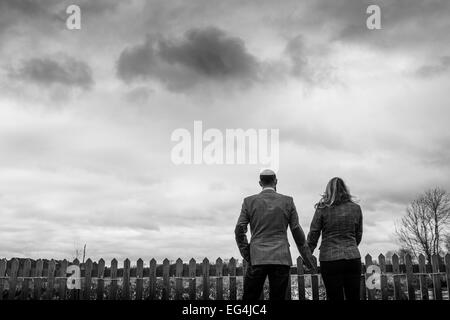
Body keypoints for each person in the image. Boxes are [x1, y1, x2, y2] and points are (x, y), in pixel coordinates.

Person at [235, 169, 316, 300]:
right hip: (280, 257)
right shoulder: (288, 201)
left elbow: (239, 229)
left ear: (260, 183)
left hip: (257, 258)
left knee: (250, 298)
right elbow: (296, 231)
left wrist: (247, 253)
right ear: (276, 182)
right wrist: (308, 259)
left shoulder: (248, 201)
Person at [307, 177, 363, 300]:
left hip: (329, 259)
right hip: (352, 258)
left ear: (328, 191)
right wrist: (350, 246)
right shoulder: (356, 208)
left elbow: (313, 234)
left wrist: (307, 255)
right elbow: (358, 234)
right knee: (353, 296)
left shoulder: (322, 208)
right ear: (345, 190)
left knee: (334, 296)